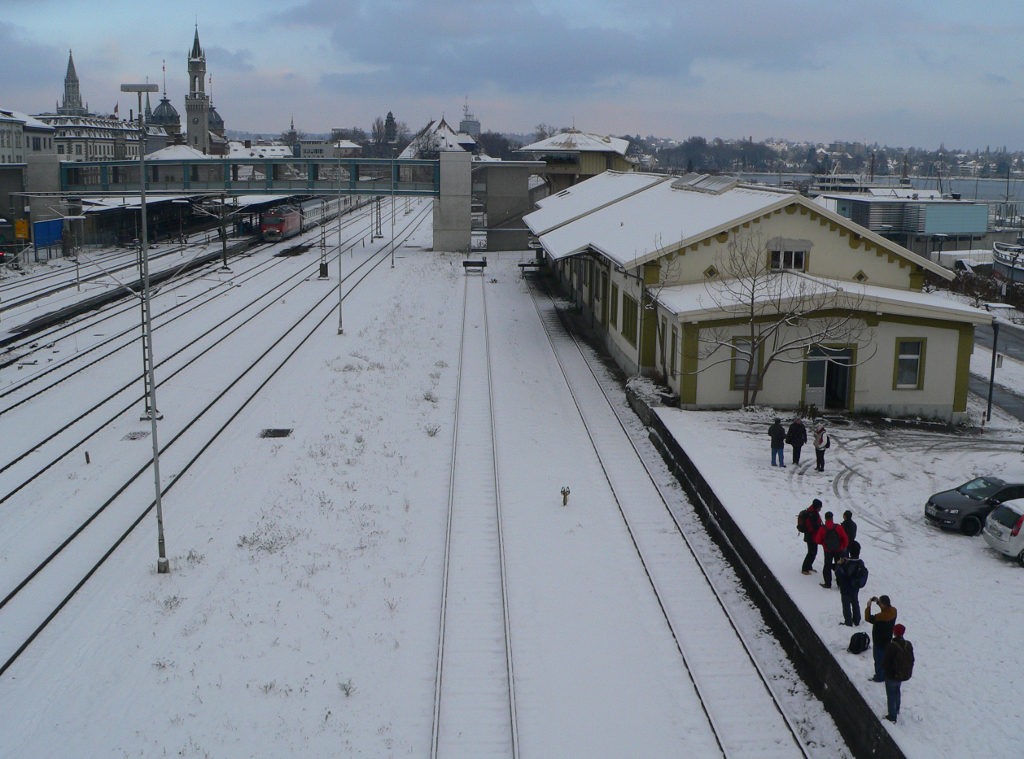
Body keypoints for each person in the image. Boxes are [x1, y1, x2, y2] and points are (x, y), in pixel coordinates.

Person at [881, 624, 914, 723]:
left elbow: (885, 662)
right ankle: (897, 709)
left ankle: (892, 715)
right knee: (897, 690)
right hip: (901, 674)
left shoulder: (891, 646)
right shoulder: (908, 644)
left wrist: (884, 669)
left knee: (891, 694)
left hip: (891, 675)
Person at [834, 542, 868, 626]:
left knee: (846, 605)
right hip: (855, 587)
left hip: (846, 587)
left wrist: (838, 565)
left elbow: (840, 573)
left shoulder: (848, 564)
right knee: (855, 602)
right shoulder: (860, 563)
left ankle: (848, 621)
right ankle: (857, 620)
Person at [865, 595, 898, 683]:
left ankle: (879, 676)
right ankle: (885, 673)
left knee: (878, 659)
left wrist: (868, 606)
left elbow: (868, 618)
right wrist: (878, 602)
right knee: (885, 658)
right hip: (888, 639)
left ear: (883, 604)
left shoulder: (880, 617)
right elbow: (885, 609)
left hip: (879, 641)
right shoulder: (894, 611)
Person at [815, 511, 849, 588]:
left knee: (827, 566)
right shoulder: (838, 527)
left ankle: (827, 583)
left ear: (825, 518)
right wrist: (844, 546)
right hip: (838, 550)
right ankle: (840, 583)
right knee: (839, 565)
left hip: (828, 550)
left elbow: (818, 541)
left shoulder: (822, 528)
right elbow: (845, 538)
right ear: (832, 518)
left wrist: (824, 543)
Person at [798, 499, 824, 575]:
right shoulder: (812, 514)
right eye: (820, 507)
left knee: (813, 552)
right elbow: (813, 527)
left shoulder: (812, 512)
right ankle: (805, 568)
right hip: (811, 536)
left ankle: (809, 566)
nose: (820, 508)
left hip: (811, 535)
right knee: (811, 552)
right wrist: (821, 528)